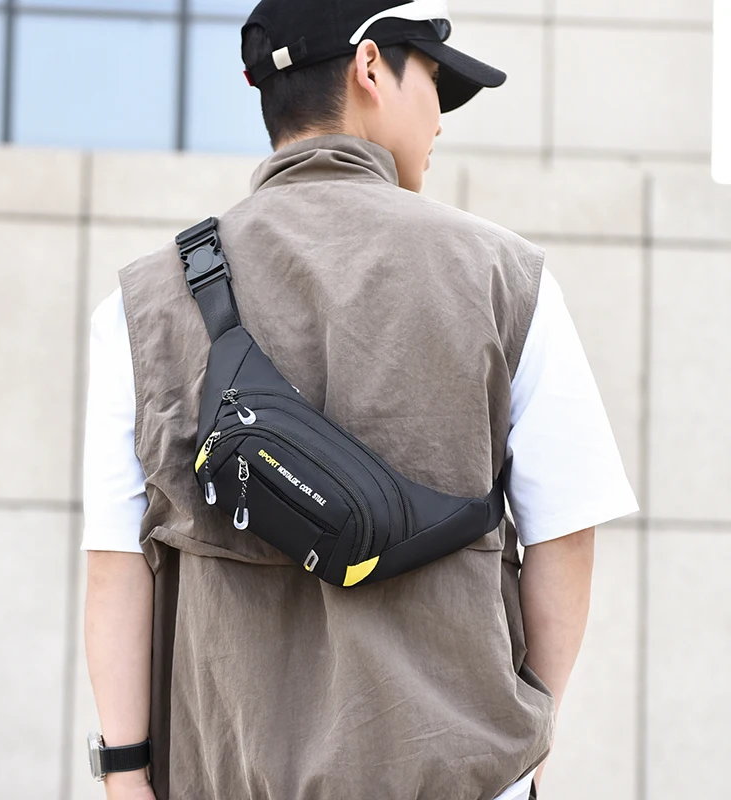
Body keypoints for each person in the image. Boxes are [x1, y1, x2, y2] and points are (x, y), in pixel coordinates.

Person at [82, 1, 639, 799]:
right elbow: (566, 535)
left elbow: (116, 565)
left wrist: (127, 779)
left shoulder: (141, 304)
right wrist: (526, 749)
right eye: (435, 83)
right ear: (371, 66)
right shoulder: (506, 277)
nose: (440, 119)